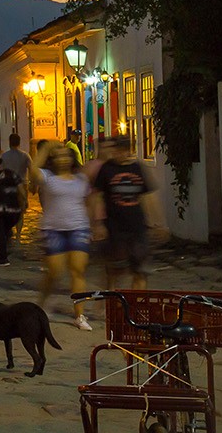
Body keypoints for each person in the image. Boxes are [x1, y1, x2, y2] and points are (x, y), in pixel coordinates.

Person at [32, 141, 94, 331]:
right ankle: (43, 302)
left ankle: (79, 315)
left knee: (78, 270)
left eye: (66, 155)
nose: (62, 159)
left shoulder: (81, 180)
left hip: (78, 228)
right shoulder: (47, 177)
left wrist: (94, 225)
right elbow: (32, 169)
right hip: (53, 229)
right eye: (57, 156)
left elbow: (90, 203)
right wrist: (47, 147)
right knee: (55, 271)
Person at [91, 135, 161, 290]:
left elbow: (148, 196)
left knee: (140, 271)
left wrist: (157, 222)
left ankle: (136, 305)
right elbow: (97, 197)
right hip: (114, 228)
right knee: (114, 271)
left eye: (124, 151)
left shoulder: (137, 168)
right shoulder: (106, 169)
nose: (120, 154)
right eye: (118, 150)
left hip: (137, 227)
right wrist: (97, 224)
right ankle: (111, 306)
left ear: (129, 150)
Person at [0, 134, 33, 248]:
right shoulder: (25, 155)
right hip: (22, 185)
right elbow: (32, 169)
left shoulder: (4, 156)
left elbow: (0, 171)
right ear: (19, 142)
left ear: (9, 142)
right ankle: (18, 235)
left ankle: (8, 232)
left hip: (8, 186)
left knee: (7, 210)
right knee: (21, 211)